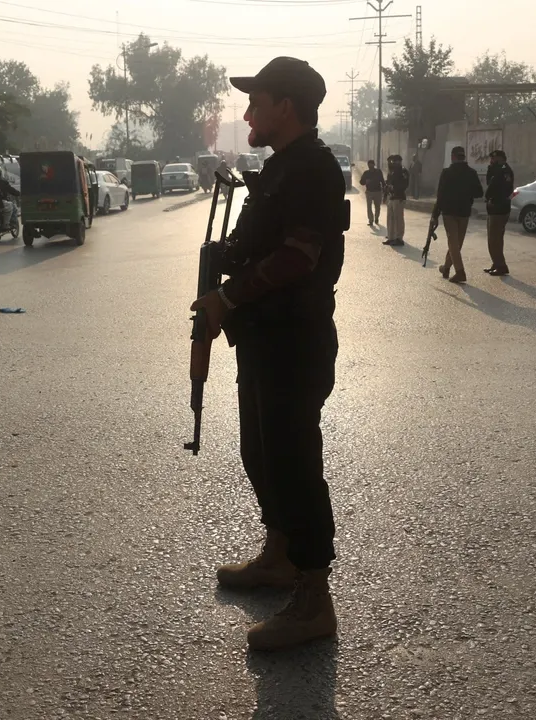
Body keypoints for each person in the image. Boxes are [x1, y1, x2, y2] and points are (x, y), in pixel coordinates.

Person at [189, 56, 346, 652]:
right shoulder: (281, 168)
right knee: (262, 452)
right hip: (263, 337)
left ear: (287, 107)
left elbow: (298, 257)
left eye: (258, 100)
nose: (249, 111)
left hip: (294, 339)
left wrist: (228, 294)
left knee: (293, 462)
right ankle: (279, 556)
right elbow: (260, 246)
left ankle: (313, 597)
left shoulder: (312, 169)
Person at [431, 146, 484, 284]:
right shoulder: (471, 173)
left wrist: (435, 214)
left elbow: (440, 195)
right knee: (457, 243)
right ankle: (446, 267)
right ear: (463, 157)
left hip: (449, 212)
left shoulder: (447, 173)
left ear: (453, 157)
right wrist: (467, 193)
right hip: (464, 212)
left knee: (453, 243)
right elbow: (479, 192)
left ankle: (460, 272)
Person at [483, 150, 515, 276]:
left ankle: (501, 266)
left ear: (501, 158)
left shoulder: (505, 170)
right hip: (495, 208)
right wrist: (491, 168)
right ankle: (496, 262)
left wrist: (490, 197)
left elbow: (502, 188)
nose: (492, 160)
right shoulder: (496, 169)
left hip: (499, 209)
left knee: (494, 239)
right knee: (496, 239)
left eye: (494, 158)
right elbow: (489, 182)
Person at [384, 155, 409, 246]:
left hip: (399, 197)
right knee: (390, 218)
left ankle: (399, 238)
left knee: (398, 219)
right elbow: (388, 183)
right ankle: (391, 237)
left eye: (394, 161)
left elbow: (405, 184)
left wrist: (394, 187)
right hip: (391, 197)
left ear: (399, 161)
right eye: (392, 161)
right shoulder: (391, 172)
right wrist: (386, 193)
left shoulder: (403, 171)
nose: (392, 163)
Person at [358, 159, 384, 228]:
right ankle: (371, 220)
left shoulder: (378, 172)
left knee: (377, 207)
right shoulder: (366, 173)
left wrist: (384, 189)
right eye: (369, 165)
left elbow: (382, 180)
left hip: (377, 191)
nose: (370, 166)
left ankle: (376, 218)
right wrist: (366, 181)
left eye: (371, 164)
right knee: (369, 207)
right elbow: (361, 182)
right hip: (369, 191)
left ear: (374, 164)